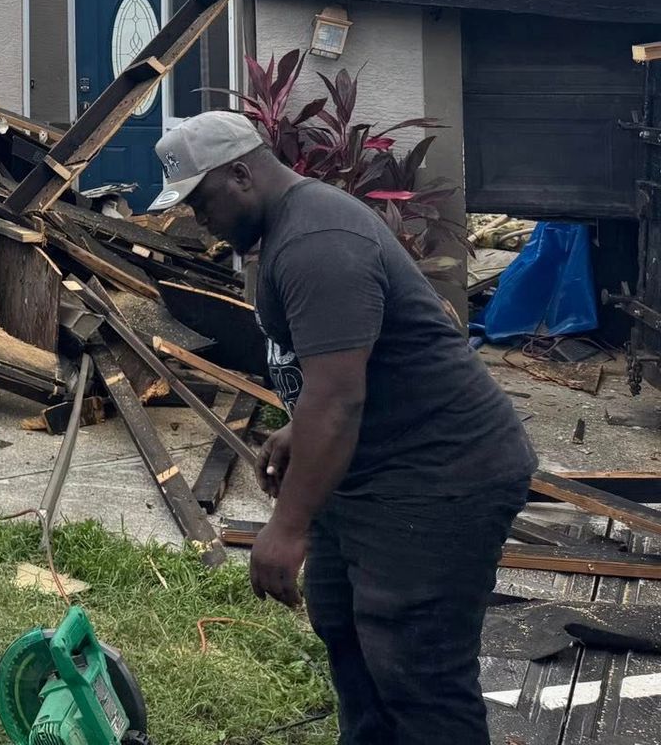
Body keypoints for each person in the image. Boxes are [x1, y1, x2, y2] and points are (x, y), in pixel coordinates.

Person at [149, 111, 534, 745]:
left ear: (241, 173)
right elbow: (349, 369)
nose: (199, 221)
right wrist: (300, 431)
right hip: (372, 472)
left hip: (438, 478)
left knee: (417, 672)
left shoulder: (317, 241)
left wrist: (288, 525)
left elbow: (338, 399)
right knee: (347, 630)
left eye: (201, 201)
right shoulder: (287, 231)